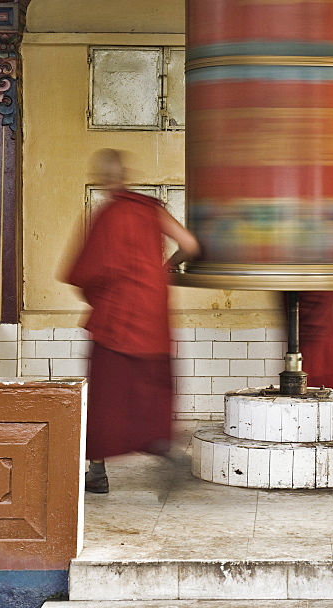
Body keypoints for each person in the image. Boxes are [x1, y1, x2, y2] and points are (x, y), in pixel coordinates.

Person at [64, 149, 200, 494]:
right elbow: (190, 244)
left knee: (108, 399)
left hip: (115, 322)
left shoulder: (107, 215)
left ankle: (97, 472)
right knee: (149, 395)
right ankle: (164, 451)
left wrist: (100, 295)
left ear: (104, 180)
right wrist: (166, 266)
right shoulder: (150, 209)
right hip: (151, 318)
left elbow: (84, 274)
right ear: (125, 175)